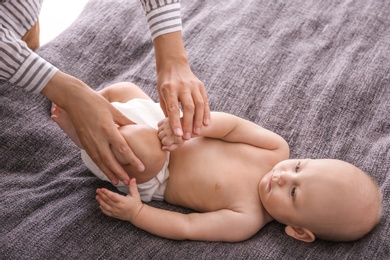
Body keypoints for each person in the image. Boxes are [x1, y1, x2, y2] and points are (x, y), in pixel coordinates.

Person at [51, 82, 382, 243]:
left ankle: (80, 126)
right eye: (299, 168)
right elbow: (232, 126)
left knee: (142, 146)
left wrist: (137, 213)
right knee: (125, 89)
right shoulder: (276, 150)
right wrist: (188, 126)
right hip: (169, 127)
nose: (283, 177)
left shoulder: (245, 219)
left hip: (152, 171)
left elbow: (186, 227)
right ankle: (92, 105)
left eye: (294, 194)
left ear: (297, 231)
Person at [0, 0, 210, 186]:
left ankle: (86, 128)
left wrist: (172, 58)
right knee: (125, 92)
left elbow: (189, 227)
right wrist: (193, 129)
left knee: (135, 150)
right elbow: (238, 128)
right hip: (165, 132)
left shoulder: (242, 214)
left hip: (159, 174)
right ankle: (89, 114)